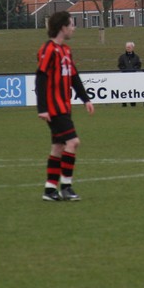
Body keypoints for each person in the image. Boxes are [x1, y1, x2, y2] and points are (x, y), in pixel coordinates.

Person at [35, 11, 94, 201]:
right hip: (54, 108)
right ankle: (66, 187)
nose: (73, 28)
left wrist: (86, 99)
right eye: (71, 25)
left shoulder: (66, 50)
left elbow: (74, 77)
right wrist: (42, 108)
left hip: (64, 107)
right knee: (73, 142)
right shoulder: (49, 49)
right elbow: (40, 78)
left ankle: (50, 190)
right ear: (63, 27)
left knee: (58, 146)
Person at [117, 41, 142, 107]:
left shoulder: (136, 57)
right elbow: (120, 65)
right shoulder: (122, 57)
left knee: (133, 90)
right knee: (124, 90)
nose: (127, 48)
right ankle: (124, 103)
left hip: (133, 77)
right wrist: (125, 70)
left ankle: (133, 104)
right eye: (127, 47)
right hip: (124, 77)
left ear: (133, 48)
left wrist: (134, 69)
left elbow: (139, 65)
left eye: (129, 47)